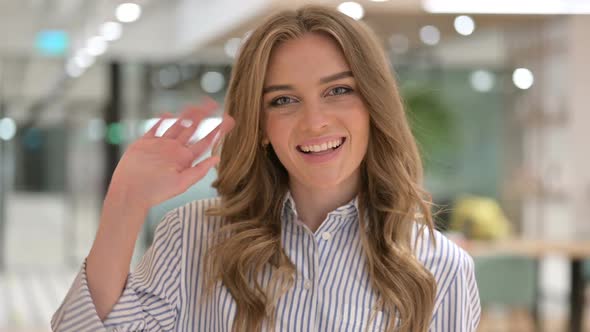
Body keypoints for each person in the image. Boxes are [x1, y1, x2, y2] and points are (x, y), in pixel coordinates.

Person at [51, 5, 480, 332]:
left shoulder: (442, 268)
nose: (315, 121)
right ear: (259, 126)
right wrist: (125, 200)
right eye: (283, 100)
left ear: (374, 106)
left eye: (339, 90)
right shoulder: (192, 238)